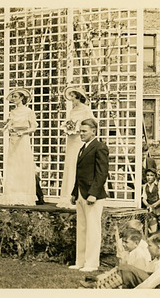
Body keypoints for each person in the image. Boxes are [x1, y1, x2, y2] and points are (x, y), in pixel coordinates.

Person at [69, 118, 109, 272]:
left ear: (94, 131)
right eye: (80, 131)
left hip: (93, 195)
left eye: (84, 131)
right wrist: (74, 192)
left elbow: (101, 173)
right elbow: (79, 174)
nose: (81, 134)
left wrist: (93, 193)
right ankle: (80, 261)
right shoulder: (82, 148)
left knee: (93, 229)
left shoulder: (100, 147)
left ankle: (91, 263)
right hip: (81, 193)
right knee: (82, 228)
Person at [57, 87, 96, 209]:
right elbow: (68, 122)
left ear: (79, 96)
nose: (71, 99)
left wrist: (79, 127)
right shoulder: (72, 111)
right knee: (70, 164)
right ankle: (67, 195)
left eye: (73, 96)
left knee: (78, 163)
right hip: (71, 139)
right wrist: (68, 128)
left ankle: (79, 194)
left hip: (79, 138)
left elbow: (93, 122)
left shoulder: (86, 109)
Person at [0, 88, 37, 206]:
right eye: (13, 97)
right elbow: (9, 124)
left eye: (15, 96)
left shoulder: (28, 111)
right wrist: (6, 128)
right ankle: (12, 195)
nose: (13, 99)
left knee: (23, 165)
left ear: (21, 98)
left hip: (23, 140)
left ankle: (24, 195)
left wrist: (24, 133)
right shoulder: (12, 112)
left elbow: (34, 127)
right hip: (13, 140)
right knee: (13, 165)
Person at [142, 168, 160, 233]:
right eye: (147, 175)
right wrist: (148, 205)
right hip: (152, 212)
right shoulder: (145, 186)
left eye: (151, 175)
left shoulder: (159, 185)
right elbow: (144, 198)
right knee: (152, 231)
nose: (149, 177)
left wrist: (153, 205)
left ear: (155, 176)